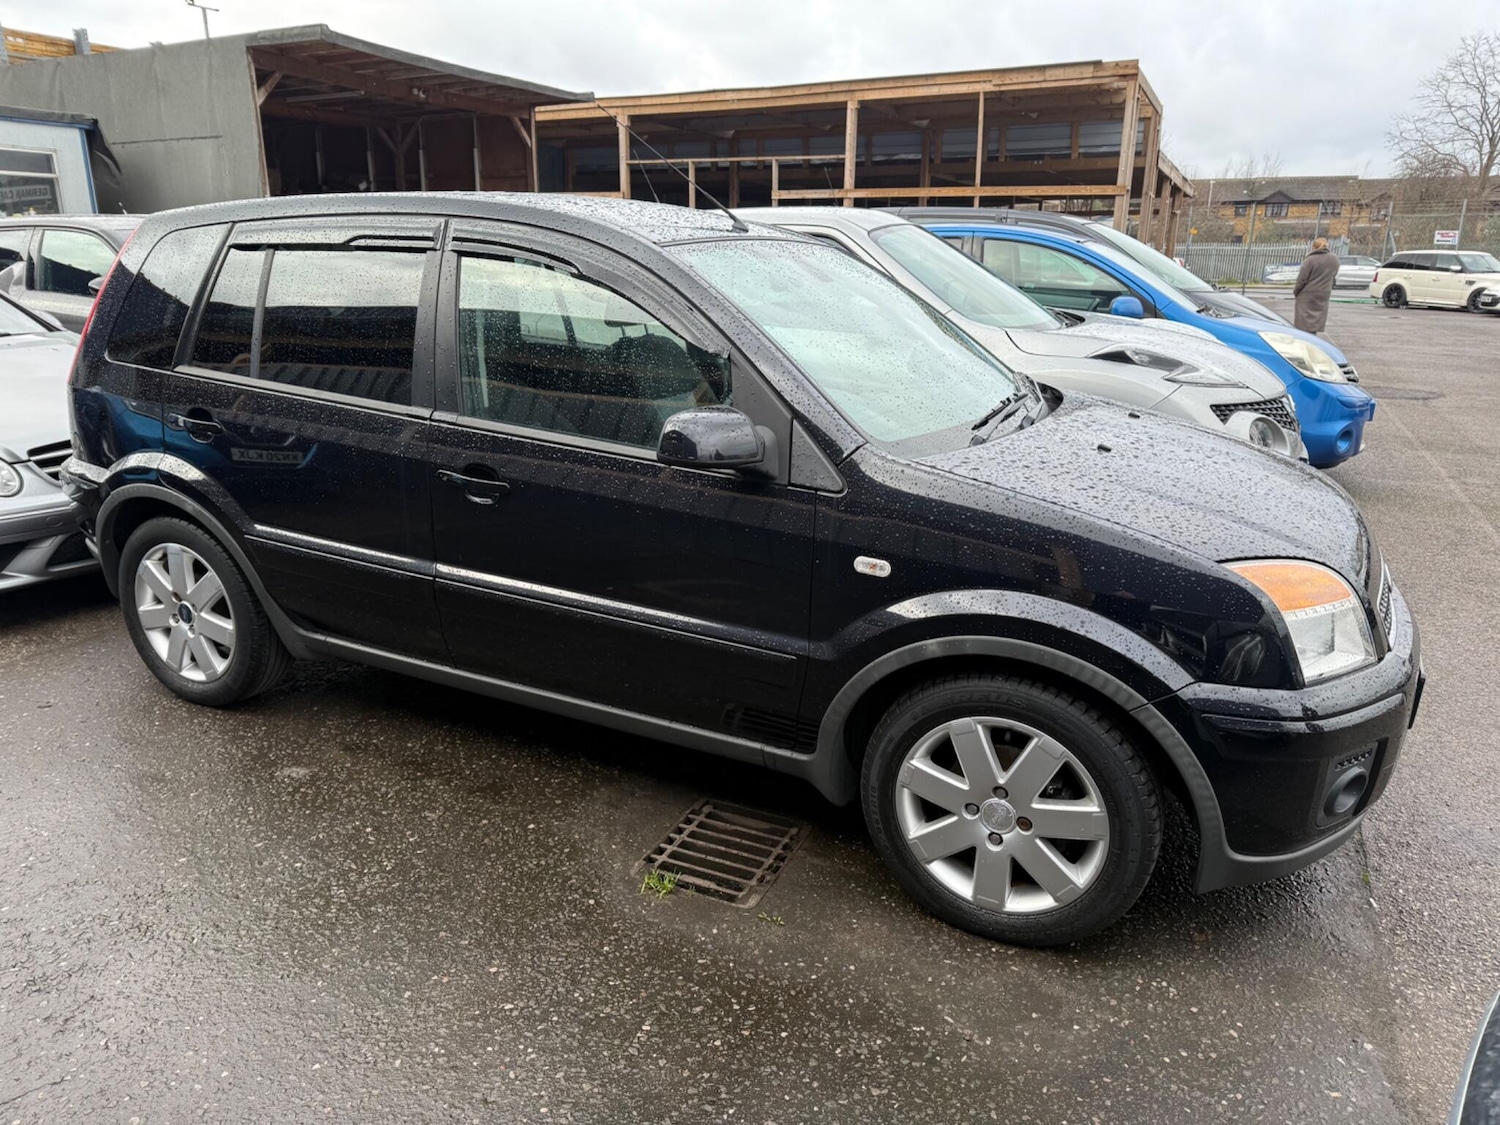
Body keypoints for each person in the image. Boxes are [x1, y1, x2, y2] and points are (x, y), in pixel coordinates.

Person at [1293, 237, 1340, 334]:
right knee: (1316, 320)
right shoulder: (1334, 259)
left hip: (1307, 295)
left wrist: (1296, 291)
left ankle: (1305, 340)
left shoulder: (1310, 260)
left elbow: (1302, 279)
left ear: (1314, 247)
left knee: (1303, 323)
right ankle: (1313, 337)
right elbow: (1334, 274)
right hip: (1324, 293)